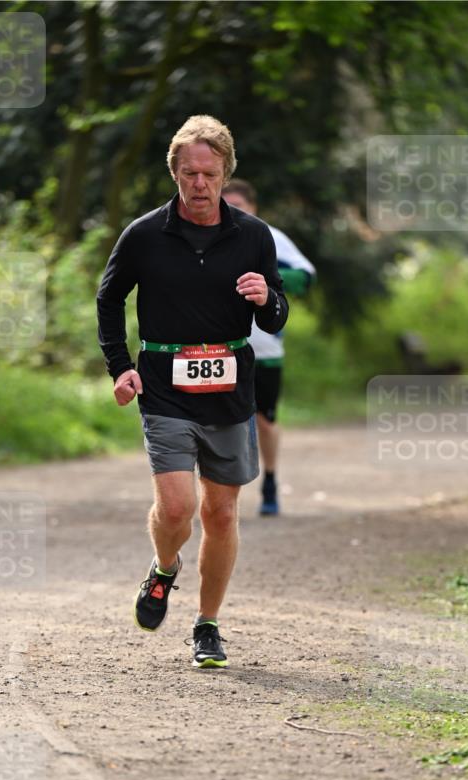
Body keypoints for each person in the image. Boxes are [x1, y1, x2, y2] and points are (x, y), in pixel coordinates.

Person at [97, 116, 288, 668]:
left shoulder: (253, 235)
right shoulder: (143, 235)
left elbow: (276, 317)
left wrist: (265, 298)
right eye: (189, 173)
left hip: (229, 389)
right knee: (178, 507)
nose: (199, 184)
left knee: (221, 514)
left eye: (209, 173)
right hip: (164, 385)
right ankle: (164, 568)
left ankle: (207, 624)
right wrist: (120, 367)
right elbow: (109, 299)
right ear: (175, 173)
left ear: (225, 172)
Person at [222, 179, 315, 515]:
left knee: (265, 419)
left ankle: (271, 480)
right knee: (217, 422)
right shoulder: (206, 237)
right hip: (220, 349)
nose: (232, 212)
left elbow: (306, 276)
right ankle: (219, 494)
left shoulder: (269, 237)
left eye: (238, 206)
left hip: (264, 350)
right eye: (226, 205)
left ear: (253, 208)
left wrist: (266, 279)